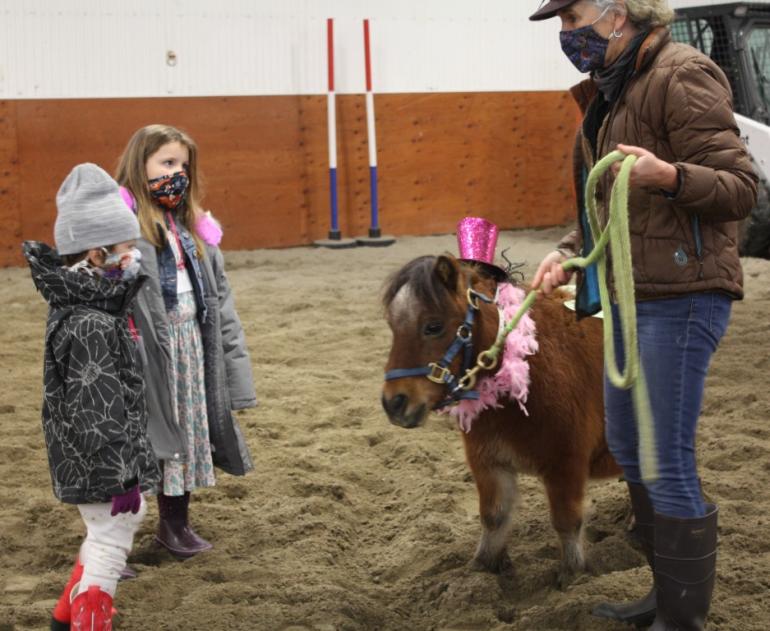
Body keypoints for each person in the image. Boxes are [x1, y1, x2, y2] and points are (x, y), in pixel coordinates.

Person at [528, 1, 758, 629]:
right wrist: (571, 253)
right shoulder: (616, 89)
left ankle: (682, 618)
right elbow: (608, 209)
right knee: (630, 445)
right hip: (634, 295)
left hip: (684, 294)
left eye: (572, 17)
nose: (565, 33)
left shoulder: (681, 74)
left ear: (619, 13)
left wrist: (669, 175)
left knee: (662, 454)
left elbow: (741, 186)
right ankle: (665, 594)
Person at [23, 163, 161, 630]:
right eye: (126, 248)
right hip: (101, 462)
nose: (133, 256)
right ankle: (87, 616)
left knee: (107, 531)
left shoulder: (93, 308)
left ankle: (64, 616)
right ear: (97, 254)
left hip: (97, 459)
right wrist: (121, 477)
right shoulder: (90, 323)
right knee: (112, 537)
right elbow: (97, 411)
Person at [115, 124, 257, 559]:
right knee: (140, 442)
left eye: (183, 166)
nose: (177, 174)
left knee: (188, 437)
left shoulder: (196, 234)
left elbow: (222, 307)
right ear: (140, 167)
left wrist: (237, 380)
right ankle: (113, 541)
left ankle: (174, 525)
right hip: (146, 354)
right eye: (167, 163)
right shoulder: (121, 230)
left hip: (192, 349)